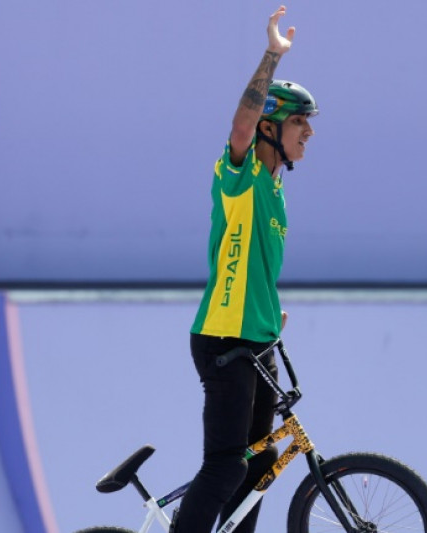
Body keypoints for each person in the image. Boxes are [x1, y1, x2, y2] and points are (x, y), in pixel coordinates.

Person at [173, 5, 317, 533]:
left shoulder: (276, 189)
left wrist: (269, 310)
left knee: (259, 467)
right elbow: (239, 126)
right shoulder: (241, 177)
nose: (309, 132)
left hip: (256, 339)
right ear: (270, 127)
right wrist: (271, 57)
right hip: (223, 339)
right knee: (226, 464)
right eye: (299, 121)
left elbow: (255, 269)